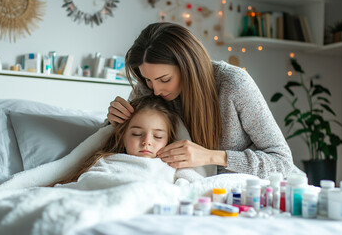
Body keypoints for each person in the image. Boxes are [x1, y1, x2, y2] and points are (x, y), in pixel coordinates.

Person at [107, 22, 296, 179]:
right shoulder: (148, 88)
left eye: (165, 80)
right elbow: (120, 140)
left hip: (250, 189)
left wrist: (211, 156)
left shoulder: (232, 83)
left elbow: (282, 162)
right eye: (148, 80)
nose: (155, 90)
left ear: (188, 67)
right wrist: (113, 120)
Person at [56, 95, 180, 184]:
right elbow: (89, 182)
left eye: (158, 137)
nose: (146, 141)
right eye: (136, 134)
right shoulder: (106, 161)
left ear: (168, 140)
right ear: (122, 137)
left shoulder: (173, 167)